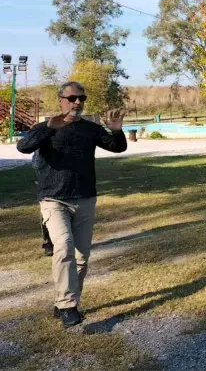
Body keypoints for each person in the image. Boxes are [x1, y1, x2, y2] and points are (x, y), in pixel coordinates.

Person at [16, 81, 127, 328]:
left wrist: (116, 131)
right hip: (53, 198)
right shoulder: (47, 127)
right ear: (61, 100)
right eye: (73, 98)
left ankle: (63, 302)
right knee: (63, 246)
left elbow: (116, 147)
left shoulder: (89, 128)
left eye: (82, 98)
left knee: (81, 258)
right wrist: (46, 128)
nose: (78, 102)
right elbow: (23, 147)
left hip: (85, 197)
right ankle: (68, 306)